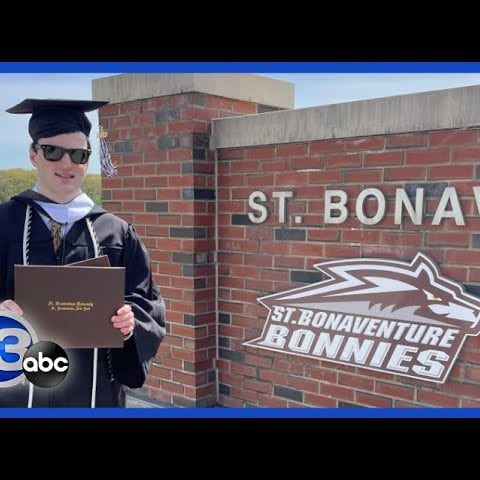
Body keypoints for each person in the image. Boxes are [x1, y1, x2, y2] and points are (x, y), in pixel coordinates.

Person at [0, 98, 166, 407]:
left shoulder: (116, 232)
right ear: (33, 154)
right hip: (15, 392)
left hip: (93, 391)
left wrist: (131, 321)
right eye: (52, 151)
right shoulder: (4, 223)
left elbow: (146, 301)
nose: (67, 164)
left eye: (78, 154)